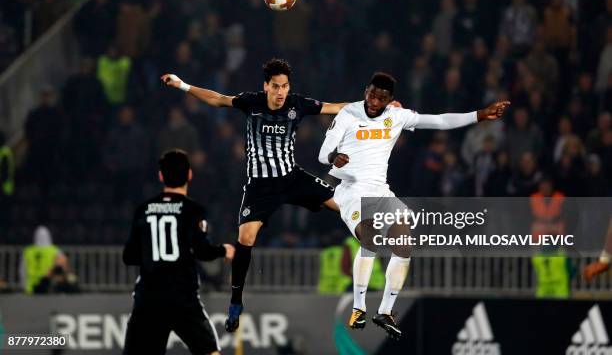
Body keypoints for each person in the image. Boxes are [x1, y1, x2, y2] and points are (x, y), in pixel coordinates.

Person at [161, 58, 348, 332]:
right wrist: (182, 85)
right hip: (260, 187)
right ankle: (235, 302)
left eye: (284, 86)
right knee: (245, 238)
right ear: (266, 87)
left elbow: (336, 108)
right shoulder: (252, 103)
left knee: (344, 206)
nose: (281, 91)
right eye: (275, 86)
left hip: (292, 178)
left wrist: (378, 110)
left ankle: (384, 232)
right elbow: (217, 99)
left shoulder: (298, 104)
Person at [318, 72, 509, 338]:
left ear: (390, 100)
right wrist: (334, 157)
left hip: (381, 191)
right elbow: (322, 153)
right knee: (370, 236)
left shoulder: (396, 116)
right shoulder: (348, 114)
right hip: (351, 191)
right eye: (372, 95)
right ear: (366, 91)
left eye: (382, 98)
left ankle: (385, 311)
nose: (375, 101)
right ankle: (358, 307)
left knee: (405, 241)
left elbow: (440, 121)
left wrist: (479, 114)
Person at [122, 150, 235, 355]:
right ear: (189, 175)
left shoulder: (143, 209)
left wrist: (152, 253)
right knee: (209, 351)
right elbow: (203, 251)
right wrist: (223, 250)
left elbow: (128, 256)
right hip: (181, 296)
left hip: (149, 298)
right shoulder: (193, 210)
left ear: (161, 176)